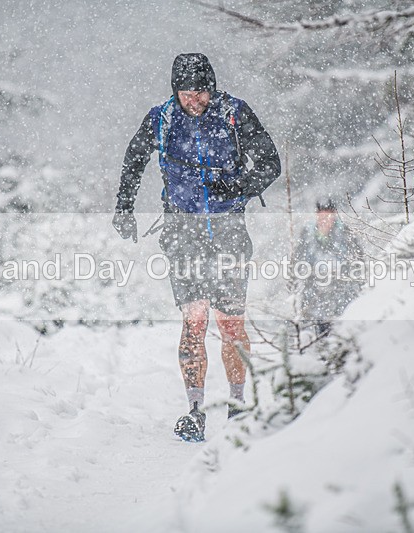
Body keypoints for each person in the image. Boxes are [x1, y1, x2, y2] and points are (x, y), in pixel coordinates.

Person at [112, 53, 280, 442]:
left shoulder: (234, 114)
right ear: (176, 90)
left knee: (231, 322)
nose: (195, 100)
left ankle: (239, 405)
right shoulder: (162, 119)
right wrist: (124, 207)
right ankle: (195, 410)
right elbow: (134, 159)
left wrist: (238, 187)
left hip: (229, 234)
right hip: (183, 235)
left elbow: (270, 163)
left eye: (202, 92)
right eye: (188, 93)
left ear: (213, 87)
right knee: (194, 320)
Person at [294, 198, 362, 336]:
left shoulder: (346, 233)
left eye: (328, 216)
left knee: (339, 331)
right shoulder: (307, 233)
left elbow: (357, 261)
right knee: (315, 331)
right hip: (313, 291)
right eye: (321, 216)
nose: (325, 220)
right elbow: (297, 260)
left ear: (335, 215)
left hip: (340, 291)